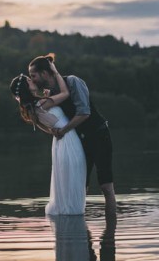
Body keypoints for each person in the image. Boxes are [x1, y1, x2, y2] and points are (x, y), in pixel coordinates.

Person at [28, 54, 117, 227]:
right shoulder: (53, 94)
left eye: (33, 75)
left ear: (45, 73)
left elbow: (84, 112)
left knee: (106, 186)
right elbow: (40, 119)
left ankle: (110, 235)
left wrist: (63, 131)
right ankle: (84, 246)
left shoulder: (73, 82)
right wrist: (52, 130)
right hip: (80, 142)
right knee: (80, 187)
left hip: (99, 136)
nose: (32, 79)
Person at [9, 59, 86, 215]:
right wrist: (55, 71)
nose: (33, 81)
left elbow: (42, 125)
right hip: (69, 139)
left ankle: (68, 216)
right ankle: (74, 215)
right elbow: (65, 93)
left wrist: (52, 131)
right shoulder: (43, 103)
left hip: (59, 144)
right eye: (30, 80)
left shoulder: (33, 109)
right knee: (73, 180)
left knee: (65, 182)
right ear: (26, 87)